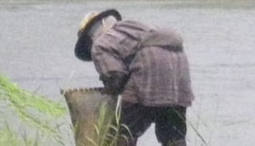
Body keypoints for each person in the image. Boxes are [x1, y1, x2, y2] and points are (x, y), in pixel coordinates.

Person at [74, 9, 193, 146]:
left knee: (122, 133)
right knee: (173, 136)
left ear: (89, 36)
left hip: (148, 69)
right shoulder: (130, 29)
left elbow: (116, 76)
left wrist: (108, 90)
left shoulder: (100, 44)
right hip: (179, 67)